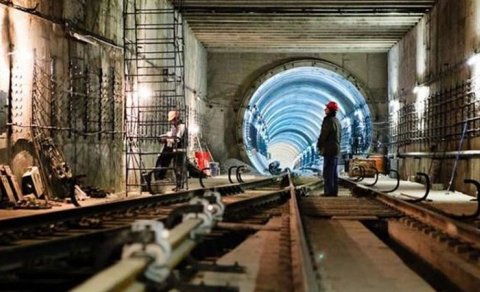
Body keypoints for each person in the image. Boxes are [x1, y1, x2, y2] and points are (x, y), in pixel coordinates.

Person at [144, 110, 186, 190]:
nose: (171, 122)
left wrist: (166, 139)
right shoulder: (174, 127)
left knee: (178, 168)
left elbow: (177, 138)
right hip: (174, 149)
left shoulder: (182, 126)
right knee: (169, 164)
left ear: (177, 119)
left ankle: (180, 185)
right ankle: (161, 179)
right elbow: (171, 135)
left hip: (180, 150)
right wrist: (164, 136)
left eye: (173, 120)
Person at [317, 101, 342, 196]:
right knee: (333, 172)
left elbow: (324, 135)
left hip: (329, 149)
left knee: (327, 172)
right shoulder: (337, 121)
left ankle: (328, 192)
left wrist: (319, 145)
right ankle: (334, 191)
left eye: (326, 108)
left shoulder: (328, 121)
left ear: (330, 110)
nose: (325, 109)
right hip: (336, 149)